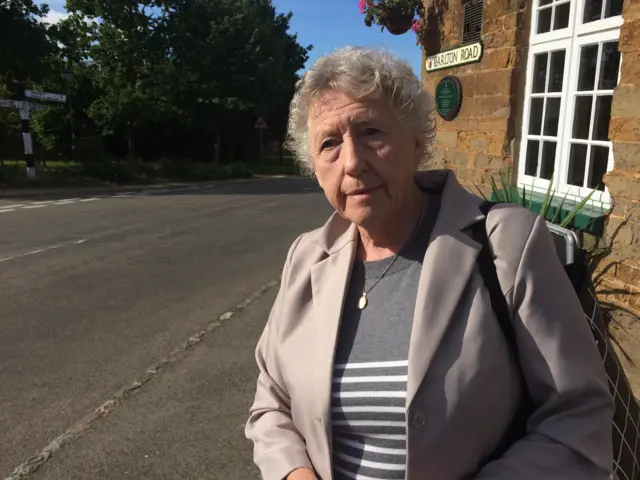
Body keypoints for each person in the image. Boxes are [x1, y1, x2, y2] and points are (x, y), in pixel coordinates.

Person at [245, 46, 614, 480]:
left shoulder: (506, 243)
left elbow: (577, 417)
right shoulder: (306, 257)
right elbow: (270, 404)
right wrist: (294, 473)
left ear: (416, 141)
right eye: (329, 143)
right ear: (314, 166)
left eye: (371, 132)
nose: (352, 162)